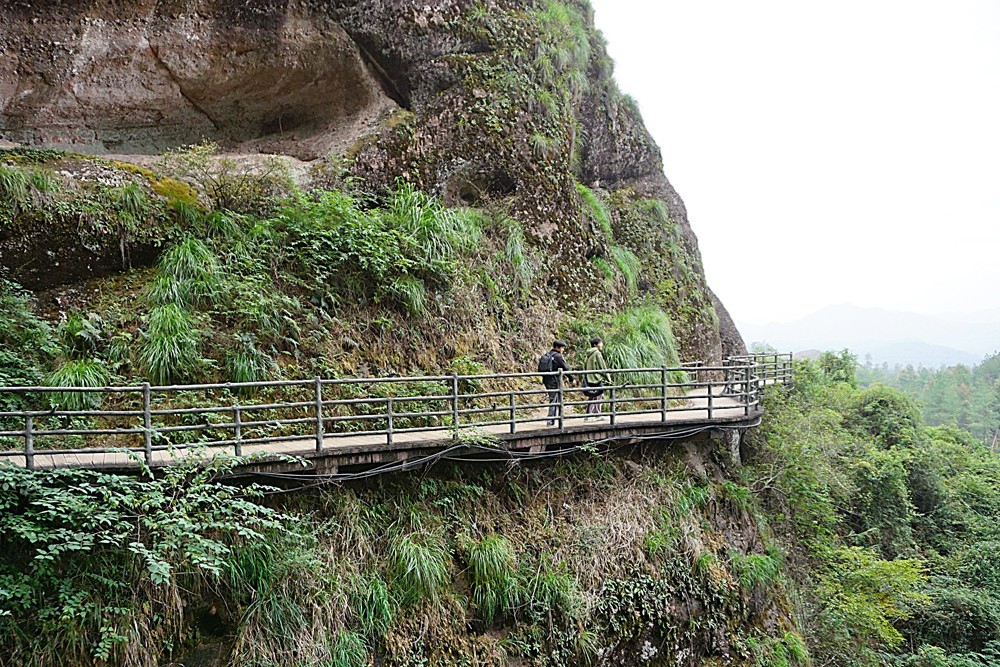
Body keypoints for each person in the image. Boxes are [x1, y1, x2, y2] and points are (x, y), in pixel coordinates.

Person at [539, 340, 570, 426]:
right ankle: (550, 420)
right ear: (557, 347)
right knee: (554, 400)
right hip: (554, 381)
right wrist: (572, 379)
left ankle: (555, 419)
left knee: (554, 399)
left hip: (547, 380)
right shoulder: (558, 356)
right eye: (562, 348)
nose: (563, 349)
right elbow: (565, 368)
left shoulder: (549, 354)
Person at [582, 336, 611, 421]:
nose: (602, 344)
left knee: (595, 396)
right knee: (596, 396)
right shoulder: (597, 353)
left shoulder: (588, 354)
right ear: (595, 344)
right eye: (600, 343)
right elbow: (602, 367)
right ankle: (591, 415)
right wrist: (608, 378)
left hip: (589, 377)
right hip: (596, 378)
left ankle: (596, 414)